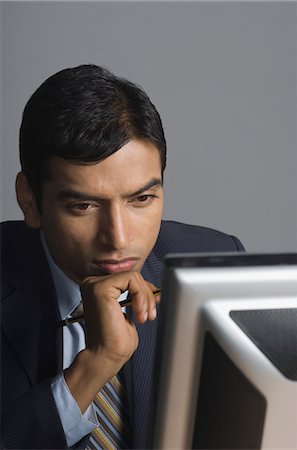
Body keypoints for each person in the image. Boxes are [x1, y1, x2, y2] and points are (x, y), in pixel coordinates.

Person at [1, 64, 245, 449]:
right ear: (30, 200)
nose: (118, 238)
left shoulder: (214, 262)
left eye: (142, 199)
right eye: (83, 205)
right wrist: (93, 367)